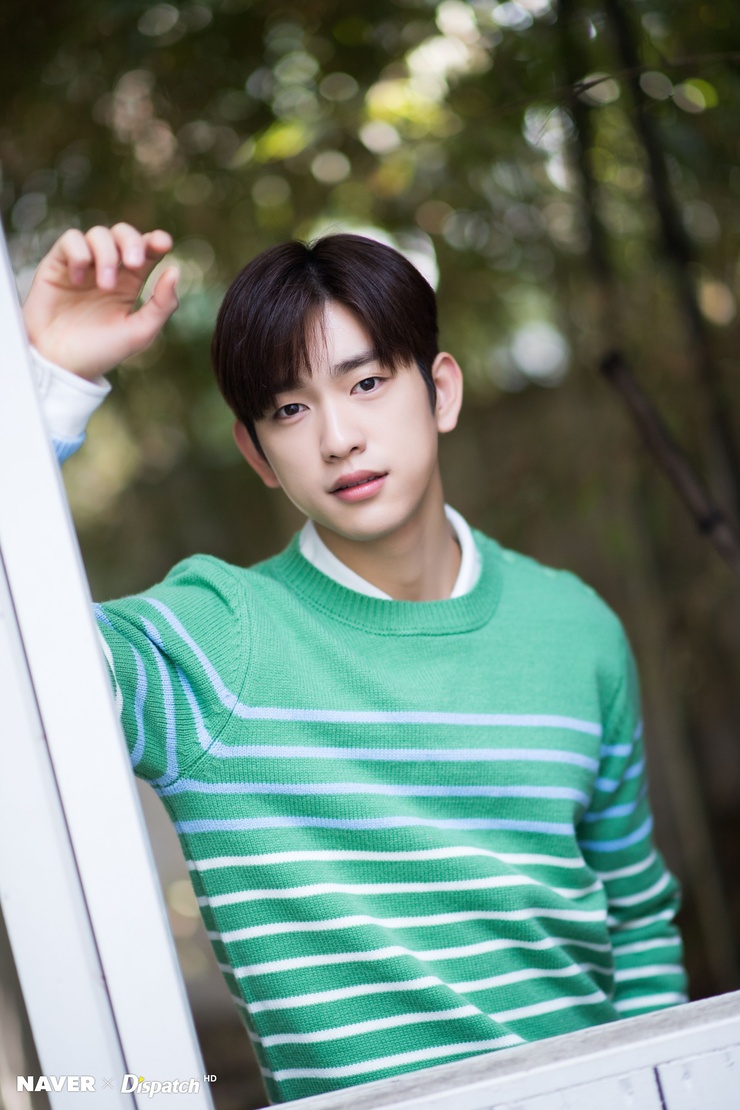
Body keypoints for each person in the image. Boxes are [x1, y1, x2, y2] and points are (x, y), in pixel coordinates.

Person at [23, 223, 688, 1103]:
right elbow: (20, 679)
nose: (338, 436)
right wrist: (47, 392)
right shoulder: (215, 644)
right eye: (290, 410)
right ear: (257, 454)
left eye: (367, 383)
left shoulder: (576, 628)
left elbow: (635, 920)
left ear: (440, 390)